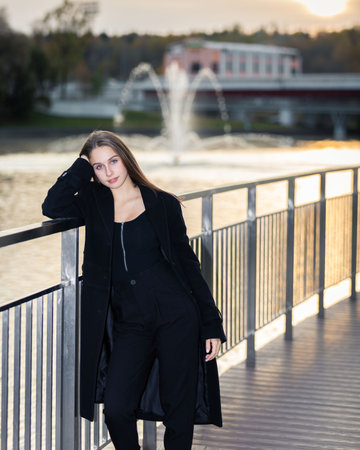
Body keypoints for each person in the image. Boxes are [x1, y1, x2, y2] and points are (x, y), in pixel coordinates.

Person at [42, 130, 226, 450]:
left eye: (113, 161)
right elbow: (52, 206)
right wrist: (81, 167)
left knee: (178, 411)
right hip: (130, 321)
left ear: (126, 160)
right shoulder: (92, 201)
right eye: (99, 167)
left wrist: (211, 323)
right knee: (115, 408)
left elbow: (188, 266)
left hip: (176, 315)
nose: (109, 172)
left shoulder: (162, 203)